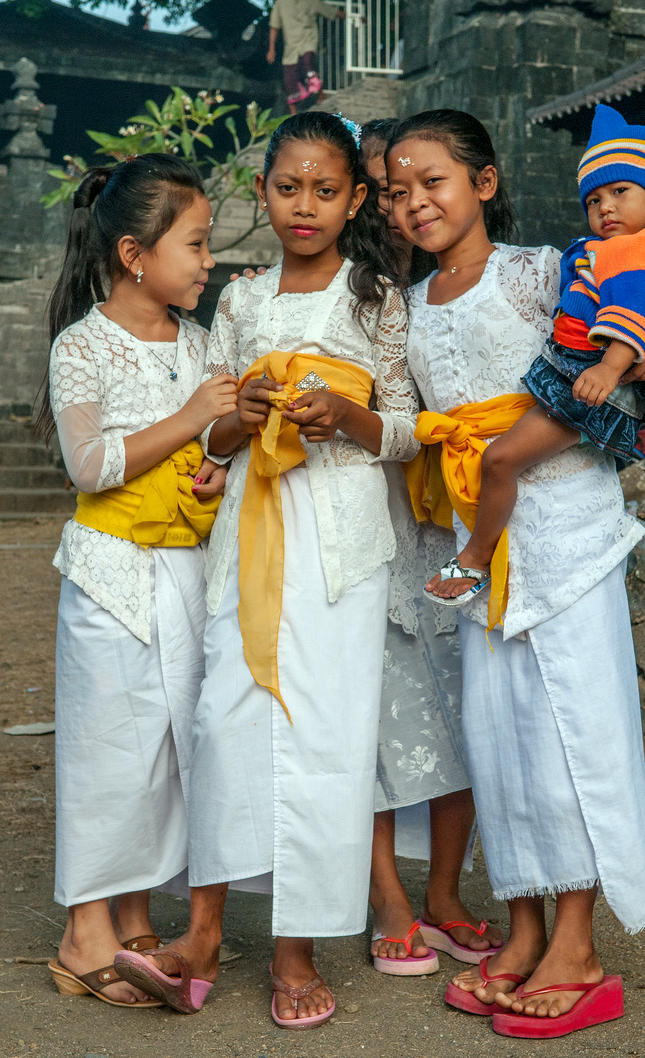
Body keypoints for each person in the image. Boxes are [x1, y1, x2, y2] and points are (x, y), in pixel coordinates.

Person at [113, 111, 420, 1027]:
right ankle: (202, 934)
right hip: (246, 535)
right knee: (229, 715)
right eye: (288, 188)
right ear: (262, 192)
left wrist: (348, 419)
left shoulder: (377, 297)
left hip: (342, 546)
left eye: (327, 190)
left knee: (326, 734)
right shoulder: (240, 302)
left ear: (356, 198)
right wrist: (241, 414)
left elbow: (405, 430)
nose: (306, 206)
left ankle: (297, 947)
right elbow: (207, 427)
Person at [387, 108, 645, 1039]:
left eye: (434, 180)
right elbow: (418, 425)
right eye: (397, 188)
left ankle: (579, 946)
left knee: (568, 733)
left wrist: (507, 457)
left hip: (566, 533)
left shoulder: (545, 271)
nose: (415, 201)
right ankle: (521, 928)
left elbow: (615, 369)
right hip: (479, 545)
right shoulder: (409, 307)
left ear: (486, 184)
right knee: (498, 739)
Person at [40, 154, 237, 1007]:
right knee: (107, 748)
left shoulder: (201, 343)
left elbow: (216, 445)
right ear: (133, 254)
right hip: (111, 574)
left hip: (190, 570)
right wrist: (192, 417)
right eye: (195, 245)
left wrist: (216, 461)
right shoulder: (81, 345)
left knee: (170, 747)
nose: (208, 262)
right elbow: (89, 464)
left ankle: (135, 915)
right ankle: (84, 930)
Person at [421, 104, 645, 612]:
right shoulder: (604, 249)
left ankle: (475, 557)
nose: (606, 207)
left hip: (596, 379)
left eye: (621, 192)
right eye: (594, 198)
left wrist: (611, 366)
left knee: (501, 459)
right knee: (506, 458)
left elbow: (636, 309)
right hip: (577, 371)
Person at [359, 118, 504, 973]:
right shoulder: (354, 292)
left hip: (451, 525)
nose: (399, 203)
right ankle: (391, 901)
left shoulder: (477, 279)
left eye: (411, 184)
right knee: (371, 716)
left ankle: (446, 893)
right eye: (382, 188)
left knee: (462, 711)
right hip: (366, 520)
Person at [267, 0, 344, 111]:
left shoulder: (312, 0)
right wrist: (271, 49)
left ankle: (321, 95)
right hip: (291, 47)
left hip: (308, 42)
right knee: (289, 80)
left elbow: (332, 12)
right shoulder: (282, 2)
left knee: (309, 66)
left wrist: (353, 16)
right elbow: (274, 26)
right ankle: (294, 116)